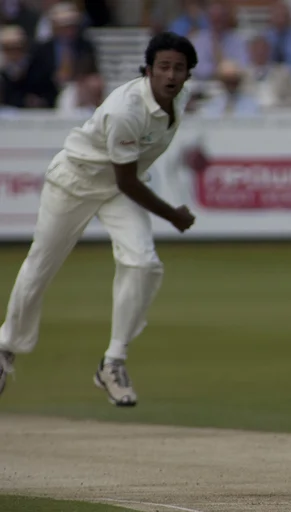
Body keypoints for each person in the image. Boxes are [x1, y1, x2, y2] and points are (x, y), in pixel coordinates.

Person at [0, 32, 199, 407]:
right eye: (163, 67)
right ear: (148, 70)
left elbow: (130, 176)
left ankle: (112, 362)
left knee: (143, 263)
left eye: (179, 68)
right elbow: (125, 180)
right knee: (41, 266)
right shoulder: (126, 109)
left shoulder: (181, 98)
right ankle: (5, 348)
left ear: (188, 75)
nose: (171, 75)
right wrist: (173, 214)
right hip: (75, 182)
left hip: (119, 189)